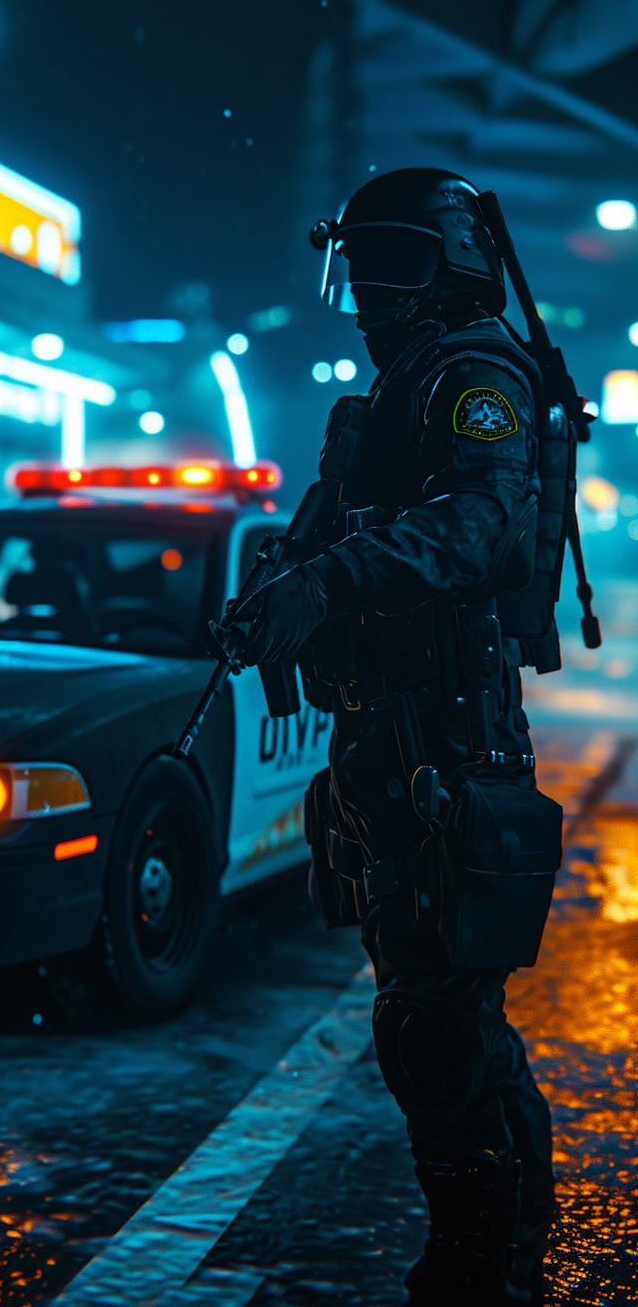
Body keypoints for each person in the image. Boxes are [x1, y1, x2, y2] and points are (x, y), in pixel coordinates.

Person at [230, 169, 558, 1305]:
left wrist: (331, 579)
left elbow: (482, 527)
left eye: (395, 263)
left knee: (434, 1021)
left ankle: (479, 1265)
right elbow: (355, 522)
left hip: (447, 747)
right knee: (446, 1009)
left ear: (451, 264)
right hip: (390, 742)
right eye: (357, 265)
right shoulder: (395, 392)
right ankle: (508, 1246)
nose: (368, 292)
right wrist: (290, 571)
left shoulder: (475, 374)